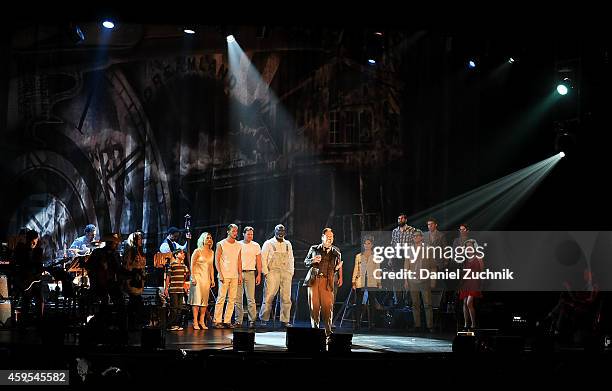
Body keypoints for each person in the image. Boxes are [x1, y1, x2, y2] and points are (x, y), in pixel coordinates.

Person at [304, 228, 342, 337]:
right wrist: (312, 260)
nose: (330, 238)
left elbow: (335, 268)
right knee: (314, 307)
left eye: (332, 237)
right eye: (328, 236)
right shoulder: (314, 248)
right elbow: (305, 262)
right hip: (314, 280)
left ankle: (328, 332)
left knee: (328, 307)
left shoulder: (336, 252)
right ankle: (315, 330)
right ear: (322, 237)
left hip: (328, 281)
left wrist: (337, 269)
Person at [259, 224, 295, 327]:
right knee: (269, 296)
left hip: (286, 272)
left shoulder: (288, 244)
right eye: (278, 231)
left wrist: (291, 272)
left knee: (286, 297)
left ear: (285, 232)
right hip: (272, 272)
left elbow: (291, 258)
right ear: (275, 231)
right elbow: (263, 258)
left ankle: (285, 320)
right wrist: (265, 272)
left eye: (282, 231)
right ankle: (264, 319)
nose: (280, 233)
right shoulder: (268, 243)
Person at [404, 230, 437, 332]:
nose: (416, 237)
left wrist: (433, 280)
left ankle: (430, 326)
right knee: (415, 304)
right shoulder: (409, 250)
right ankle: (417, 325)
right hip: (413, 280)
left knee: (427, 304)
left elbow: (433, 266)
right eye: (414, 236)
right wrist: (405, 280)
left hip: (425, 279)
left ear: (422, 237)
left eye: (418, 236)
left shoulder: (428, 248)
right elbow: (406, 266)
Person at [213, 224, 242, 329]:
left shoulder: (239, 245)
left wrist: (239, 275)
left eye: (236, 231)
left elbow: (239, 260)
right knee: (221, 297)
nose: (235, 233)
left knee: (232, 299)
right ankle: (217, 320)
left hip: (234, 275)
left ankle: (227, 320)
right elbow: (216, 260)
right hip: (224, 274)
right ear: (228, 232)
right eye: (233, 231)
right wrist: (220, 273)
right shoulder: (221, 244)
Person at [13, 229, 45, 324]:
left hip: (31, 280)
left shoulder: (37, 250)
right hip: (24, 279)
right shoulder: (21, 249)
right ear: (33, 240)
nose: (36, 242)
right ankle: (28, 322)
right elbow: (18, 264)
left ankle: (35, 322)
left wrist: (39, 272)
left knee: (36, 299)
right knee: (31, 299)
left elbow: (39, 266)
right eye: (35, 240)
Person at [351, 236, 381, 330]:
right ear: (363, 245)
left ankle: (372, 324)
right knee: (359, 303)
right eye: (365, 243)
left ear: (372, 245)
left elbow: (378, 270)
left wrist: (379, 282)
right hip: (361, 281)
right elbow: (356, 269)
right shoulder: (359, 256)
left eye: (369, 243)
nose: (367, 245)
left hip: (372, 281)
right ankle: (357, 323)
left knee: (372, 303)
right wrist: (353, 281)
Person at [235, 227, 262, 328]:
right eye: (248, 234)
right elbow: (237, 260)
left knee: (251, 298)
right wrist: (238, 274)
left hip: (251, 273)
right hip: (239, 272)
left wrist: (259, 274)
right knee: (238, 298)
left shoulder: (256, 245)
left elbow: (259, 261)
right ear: (243, 234)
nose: (250, 236)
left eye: (251, 234)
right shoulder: (238, 244)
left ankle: (252, 321)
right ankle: (238, 321)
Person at [188, 232, 215, 330]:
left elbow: (211, 266)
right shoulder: (197, 251)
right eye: (207, 237)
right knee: (196, 301)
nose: (209, 239)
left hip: (206, 279)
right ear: (202, 239)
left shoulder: (212, 252)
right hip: (197, 278)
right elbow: (192, 264)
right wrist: (193, 277)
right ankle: (195, 321)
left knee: (204, 301)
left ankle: (202, 321)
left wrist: (212, 278)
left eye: (210, 237)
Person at [389, 213, 416, 306]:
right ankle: (398, 301)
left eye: (401, 219)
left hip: (407, 256)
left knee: (407, 278)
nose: (400, 220)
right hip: (397, 257)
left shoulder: (412, 230)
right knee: (397, 279)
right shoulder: (395, 231)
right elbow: (392, 245)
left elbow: (414, 245)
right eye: (398, 219)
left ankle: (408, 301)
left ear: (405, 220)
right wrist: (390, 258)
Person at [123, 231, 146, 329]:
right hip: (133, 278)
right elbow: (127, 265)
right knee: (135, 301)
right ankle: (132, 323)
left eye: (141, 238)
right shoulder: (131, 250)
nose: (141, 240)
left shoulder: (139, 250)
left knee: (137, 301)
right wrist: (135, 271)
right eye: (139, 239)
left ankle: (135, 323)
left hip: (139, 278)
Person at [459, 239, 484, 330]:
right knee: (465, 303)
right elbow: (463, 272)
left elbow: (482, 271)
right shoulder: (465, 259)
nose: (468, 248)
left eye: (470, 246)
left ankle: (473, 324)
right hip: (466, 282)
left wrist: (480, 284)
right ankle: (466, 324)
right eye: (467, 246)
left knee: (469, 303)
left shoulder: (479, 257)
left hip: (475, 282)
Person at [164, 248, 189, 331]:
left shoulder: (184, 266)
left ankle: (177, 324)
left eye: (183, 253)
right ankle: (170, 324)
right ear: (176, 255)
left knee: (179, 308)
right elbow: (168, 277)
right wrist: (166, 288)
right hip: (174, 289)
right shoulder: (172, 265)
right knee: (174, 308)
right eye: (181, 253)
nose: (183, 255)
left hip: (180, 290)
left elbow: (185, 277)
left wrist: (184, 285)